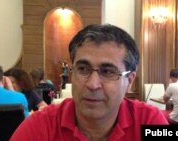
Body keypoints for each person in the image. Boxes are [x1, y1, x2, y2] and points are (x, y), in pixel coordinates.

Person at [10, 24, 168, 141]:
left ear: (130, 80)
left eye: (107, 72)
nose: (93, 84)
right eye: (83, 69)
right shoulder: (40, 126)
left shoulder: (148, 120)